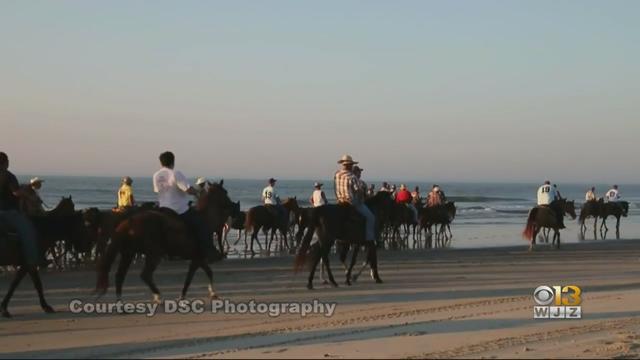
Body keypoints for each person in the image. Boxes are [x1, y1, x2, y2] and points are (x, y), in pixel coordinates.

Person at [152, 151, 219, 262]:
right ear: (173, 161)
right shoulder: (175, 173)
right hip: (179, 209)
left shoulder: (156, 175)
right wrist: (198, 193)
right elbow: (188, 189)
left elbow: (158, 191)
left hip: (163, 209)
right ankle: (208, 252)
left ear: (161, 162)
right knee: (203, 225)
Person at [0, 152, 41, 267]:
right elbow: (16, 192)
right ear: (6, 163)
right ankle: (31, 261)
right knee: (29, 231)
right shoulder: (8, 176)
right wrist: (29, 197)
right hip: (7, 212)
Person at [335, 154, 375, 243]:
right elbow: (359, 191)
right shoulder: (352, 177)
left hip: (339, 201)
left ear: (342, 164)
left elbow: (336, 188)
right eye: (351, 164)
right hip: (351, 202)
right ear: (349, 165)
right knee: (371, 217)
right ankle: (369, 239)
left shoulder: (337, 174)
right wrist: (362, 200)